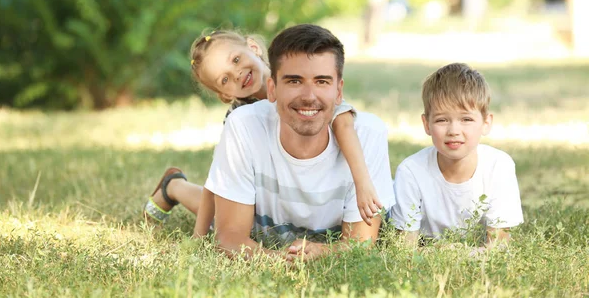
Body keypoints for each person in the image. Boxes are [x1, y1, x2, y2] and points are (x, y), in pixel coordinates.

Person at [143, 28, 383, 235]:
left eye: (236, 60)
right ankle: (174, 186)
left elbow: (342, 124)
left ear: (253, 47)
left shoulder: (298, 77)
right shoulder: (238, 120)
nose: (236, 74)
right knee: (232, 213)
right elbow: (217, 184)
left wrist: (363, 184)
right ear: (225, 95)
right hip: (263, 188)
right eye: (224, 79)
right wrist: (199, 236)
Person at [206, 24, 395, 260]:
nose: (308, 96)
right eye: (294, 81)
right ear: (272, 89)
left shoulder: (368, 134)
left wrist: (321, 252)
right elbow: (229, 237)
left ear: (339, 91)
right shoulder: (242, 124)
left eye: (322, 81)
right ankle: (175, 187)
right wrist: (278, 260)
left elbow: (361, 243)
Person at [391, 63, 524, 248]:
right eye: (442, 120)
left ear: (486, 123)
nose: (454, 130)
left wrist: (462, 254)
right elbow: (405, 248)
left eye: (466, 119)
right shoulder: (410, 171)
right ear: (426, 124)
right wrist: (445, 252)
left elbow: (500, 246)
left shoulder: (498, 166)